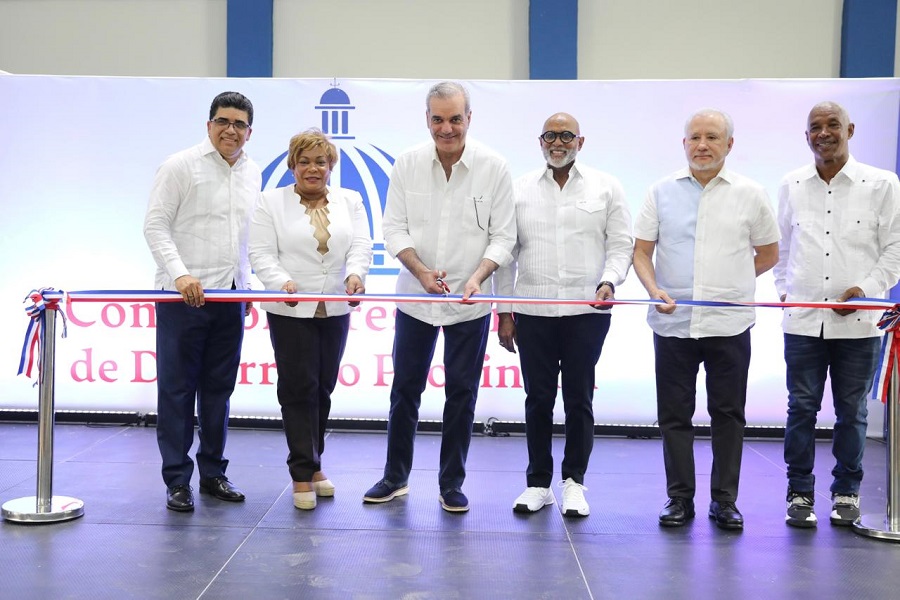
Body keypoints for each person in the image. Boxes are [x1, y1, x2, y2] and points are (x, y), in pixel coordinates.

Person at [363, 81, 516, 513]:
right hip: (415, 298)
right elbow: (393, 229)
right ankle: (395, 477)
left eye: (455, 119)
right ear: (427, 119)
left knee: (462, 394)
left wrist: (478, 277)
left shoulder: (494, 167)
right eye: (438, 119)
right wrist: (421, 272)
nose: (446, 128)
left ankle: (452, 484)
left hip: (470, 302)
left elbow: (504, 237)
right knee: (404, 391)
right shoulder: (408, 163)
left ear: (469, 118)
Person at [632, 108, 779, 530]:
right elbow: (641, 251)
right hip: (673, 322)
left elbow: (769, 253)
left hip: (729, 324)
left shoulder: (751, 193)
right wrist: (653, 289)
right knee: (674, 415)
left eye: (712, 137)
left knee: (728, 414)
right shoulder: (661, 191)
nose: (702, 145)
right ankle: (679, 498)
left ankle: (725, 501)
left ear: (729, 144)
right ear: (684, 144)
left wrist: (733, 282)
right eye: (694, 137)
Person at [495, 112, 632, 517]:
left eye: (566, 136)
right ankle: (538, 484)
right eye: (550, 136)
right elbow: (505, 256)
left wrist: (610, 281)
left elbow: (621, 244)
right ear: (540, 142)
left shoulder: (607, 187)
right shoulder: (518, 189)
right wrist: (505, 312)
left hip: (586, 310)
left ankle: (574, 483)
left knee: (578, 398)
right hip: (533, 310)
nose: (558, 142)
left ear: (580, 142)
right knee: (537, 398)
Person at [774, 101, 900, 528]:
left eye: (832, 125)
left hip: (860, 325)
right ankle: (799, 493)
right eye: (815, 127)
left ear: (850, 129)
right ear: (806, 135)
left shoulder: (882, 184)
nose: (823, 133)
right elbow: (782, 249)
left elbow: (895, 249)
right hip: (803, 321)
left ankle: (846, 492)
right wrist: (785, 292)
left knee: (852, 413)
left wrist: (865, 290)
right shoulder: (791, 184)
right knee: (801, 409)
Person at [143, 91, 261, 512]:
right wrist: (180, 274)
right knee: (177, 390)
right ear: (209, 124)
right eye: (223, 121)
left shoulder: (252, 172)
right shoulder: (180, 166)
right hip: (183, 298)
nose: (231, 130)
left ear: (249, 131)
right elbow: (155, 225)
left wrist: (247, 285)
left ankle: (213, 473)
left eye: (239, 124)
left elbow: (247, 236)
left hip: (231, 297)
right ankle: (177, 480)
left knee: (218, 390)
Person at [249, 129, 372, 510]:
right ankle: (301, 472)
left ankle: (315, 464)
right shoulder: (270, 202)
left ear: (331, 165)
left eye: (320, 161)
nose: (312, 168)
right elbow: (260, 253)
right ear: (293, 166)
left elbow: (361, 245)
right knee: (298, 388)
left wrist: (356, 274)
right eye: (304, 162)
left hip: (334, 307)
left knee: (322, 389)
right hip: (291, 308)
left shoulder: (351, 200)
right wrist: (280, 282)